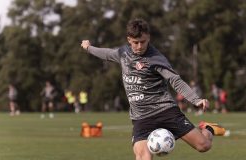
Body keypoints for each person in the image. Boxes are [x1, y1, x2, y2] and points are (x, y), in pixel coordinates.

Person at [81, 18, 226, 160]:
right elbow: (107, 54)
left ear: (148, 37)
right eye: (135, 42)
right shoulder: (123, 54)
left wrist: (196, 99)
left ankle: (208, 128)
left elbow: (175, 80)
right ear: (129, 40)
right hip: (141, 118)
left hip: (165, 111)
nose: (139, 46)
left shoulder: (156, 59)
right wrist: (89, 48)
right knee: (143, 157)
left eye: (142, 42)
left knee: (203, 146)